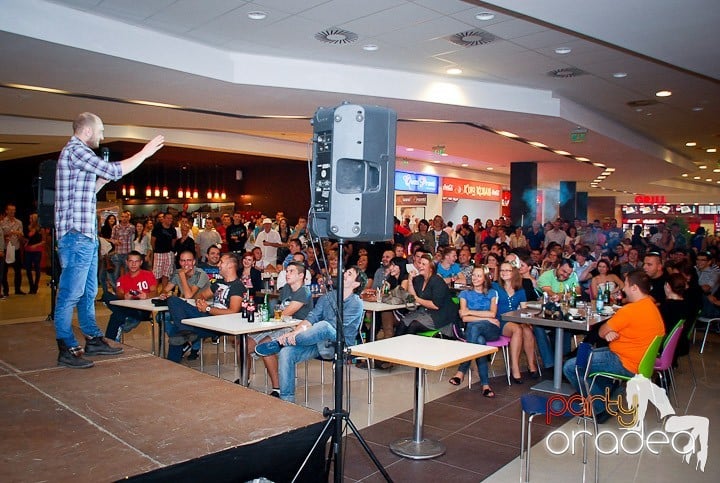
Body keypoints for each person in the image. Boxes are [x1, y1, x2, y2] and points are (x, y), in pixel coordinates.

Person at [53, 112, 164, 368]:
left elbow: (85, 191)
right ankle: (66, 346)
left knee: (89, 291)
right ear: (88, 131)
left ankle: (93, 338)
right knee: (71, 293)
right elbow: (114, 168)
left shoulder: (76, 155)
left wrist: (101, 182)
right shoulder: (76, 150)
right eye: (101, 130)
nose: (103, 135)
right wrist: (144, 152)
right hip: (76, 237)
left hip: (86, 237)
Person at [562, 269, 665, 421]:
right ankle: (604, 393)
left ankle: (598, 408)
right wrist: (613, 332)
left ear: (635, 288)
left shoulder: (631, 310)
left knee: (572, 367)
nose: (623, 288)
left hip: (625, 362)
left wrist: (610, 331)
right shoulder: (651, 306)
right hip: (638, 359)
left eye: (627, 285)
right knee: (586, 354)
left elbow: (602, 331)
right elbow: (614, 332)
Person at [255, 266, 367, 403]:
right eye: (345, 272)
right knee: (286, 353)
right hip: (318, 340)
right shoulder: (328, 297)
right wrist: (294, 332)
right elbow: (311, 317)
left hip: (339, 343)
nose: (344, 274)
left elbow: (337, 326)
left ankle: (281, 342)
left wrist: (305, 331)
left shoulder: (356, 302)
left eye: (349, 274)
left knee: (324, 325)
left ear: (356, 284)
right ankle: (286, 399)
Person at [247, 261, 313, 396]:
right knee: (244, 344)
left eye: (291, 271)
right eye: (286, 271)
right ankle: (244, 378)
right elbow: (277, 308)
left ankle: (277, 387)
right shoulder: (286, 289)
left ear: (301, 275)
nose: (287, 274)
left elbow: (285, 312)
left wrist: (271, 315)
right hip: (279, 325)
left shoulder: (304, 292)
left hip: (295, 328)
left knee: (265, 346)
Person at [165, 253, 244, 363]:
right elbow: (200, 295)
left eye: (221, 262)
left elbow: (233, 312)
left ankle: (172, 363)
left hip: (220, 323)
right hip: (206, 316)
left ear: (230, 265)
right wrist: (200, 302)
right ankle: (185, 331)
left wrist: (208, 309)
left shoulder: (238, 286)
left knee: (175, 331)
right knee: (173, 300)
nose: (218, 265)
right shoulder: (218, 283)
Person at [449, 265, 500, 397]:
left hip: (491, 329)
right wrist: (486, 317)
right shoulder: (465, 293)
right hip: (475, 331)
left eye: (479, 275)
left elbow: (493, 313)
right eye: (473, 275)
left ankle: (461, 371)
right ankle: (485, 385)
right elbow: (464, 318)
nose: (475, 278)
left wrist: (471, 312)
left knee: (474, 327)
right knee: (479, 341)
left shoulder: (492, 293)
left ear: (485, 278)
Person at [493, 262, 538, 383]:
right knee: (517, 330)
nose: (504, 272)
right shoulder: (495, 287)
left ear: (514, 273)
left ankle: (531, 364)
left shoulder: (520, 290)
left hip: (516, 319)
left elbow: (524, 309)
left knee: (527, 330)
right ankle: (515, 367)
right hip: (500, 320)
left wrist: (528, 322)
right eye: (502, 270)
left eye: (508, 270)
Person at [101, 251, 157, 341]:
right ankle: (125, 318)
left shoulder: (148, 275)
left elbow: (155, 292)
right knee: (107, 296)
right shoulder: (122, 279)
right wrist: (125, 297)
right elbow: (119, 293)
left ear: (141, 263)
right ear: (126, 262)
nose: (133, 264)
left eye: (136, 261)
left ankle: (109, 341)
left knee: (117, 315)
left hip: (142, 309)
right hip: (127, 305)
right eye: (131, 261)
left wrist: (146, 295)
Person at [399, 253, 457, 336]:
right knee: (403, 323)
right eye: (420, 263)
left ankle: (409, 348)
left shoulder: (437, 281)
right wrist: (410, 280)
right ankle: (396, 347)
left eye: (424, 264)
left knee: (413, 325)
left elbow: (435, 305)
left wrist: (417, 299)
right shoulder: (419, 279)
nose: (420, 266)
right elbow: (413, 296)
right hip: (424, 312)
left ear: (430, 268)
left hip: (440, 315)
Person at [1, 203, 25, 296]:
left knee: (18, 270)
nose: (12, 212)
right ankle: (5, 291)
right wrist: (11, 233)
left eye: (14, 210)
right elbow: (2, 234)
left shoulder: (19, 222)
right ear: (6, 211)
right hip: (6, 249)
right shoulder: (2, 222)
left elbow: (21, 235)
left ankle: (18, 289)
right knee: (4, 271)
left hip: (16, 248)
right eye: (10, 210)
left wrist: (20, 236)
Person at [152, 212, 177, 292]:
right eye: (168, 218)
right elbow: (153, 240)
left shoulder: (173, 229)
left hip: (169, 253)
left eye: (171, 218)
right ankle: (154, 293)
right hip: (158, 253)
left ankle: (163, 293)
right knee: (156, 275)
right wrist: (155, 250)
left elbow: (174, 241)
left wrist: (171, 251)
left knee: (166, 274)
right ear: (164, 219)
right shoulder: (157, 227)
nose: (170, 220)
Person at [109, 209, 135, 287]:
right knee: (116, 274)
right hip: (118, 253)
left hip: (128, 253)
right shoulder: (115, 227)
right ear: (120, 217)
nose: (124, 218)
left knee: (128, 273)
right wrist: (115, 241)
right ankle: (117, 290)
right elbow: (111, 238)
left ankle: (128, 288)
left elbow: (134, 239)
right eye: (122, 217)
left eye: (126, 217)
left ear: (128, 218)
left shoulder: (132, 227)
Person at [23, 212, 44, 294]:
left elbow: (43, 241)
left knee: (37, 268)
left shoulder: (40, 229)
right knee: (28, 269)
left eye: (31, 218)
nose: (29, 220)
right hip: (28, 250)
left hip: (37, 250)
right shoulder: (28, 227)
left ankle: (35, 286)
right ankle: (31, 286)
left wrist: (35, 246)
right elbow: (27, 238)